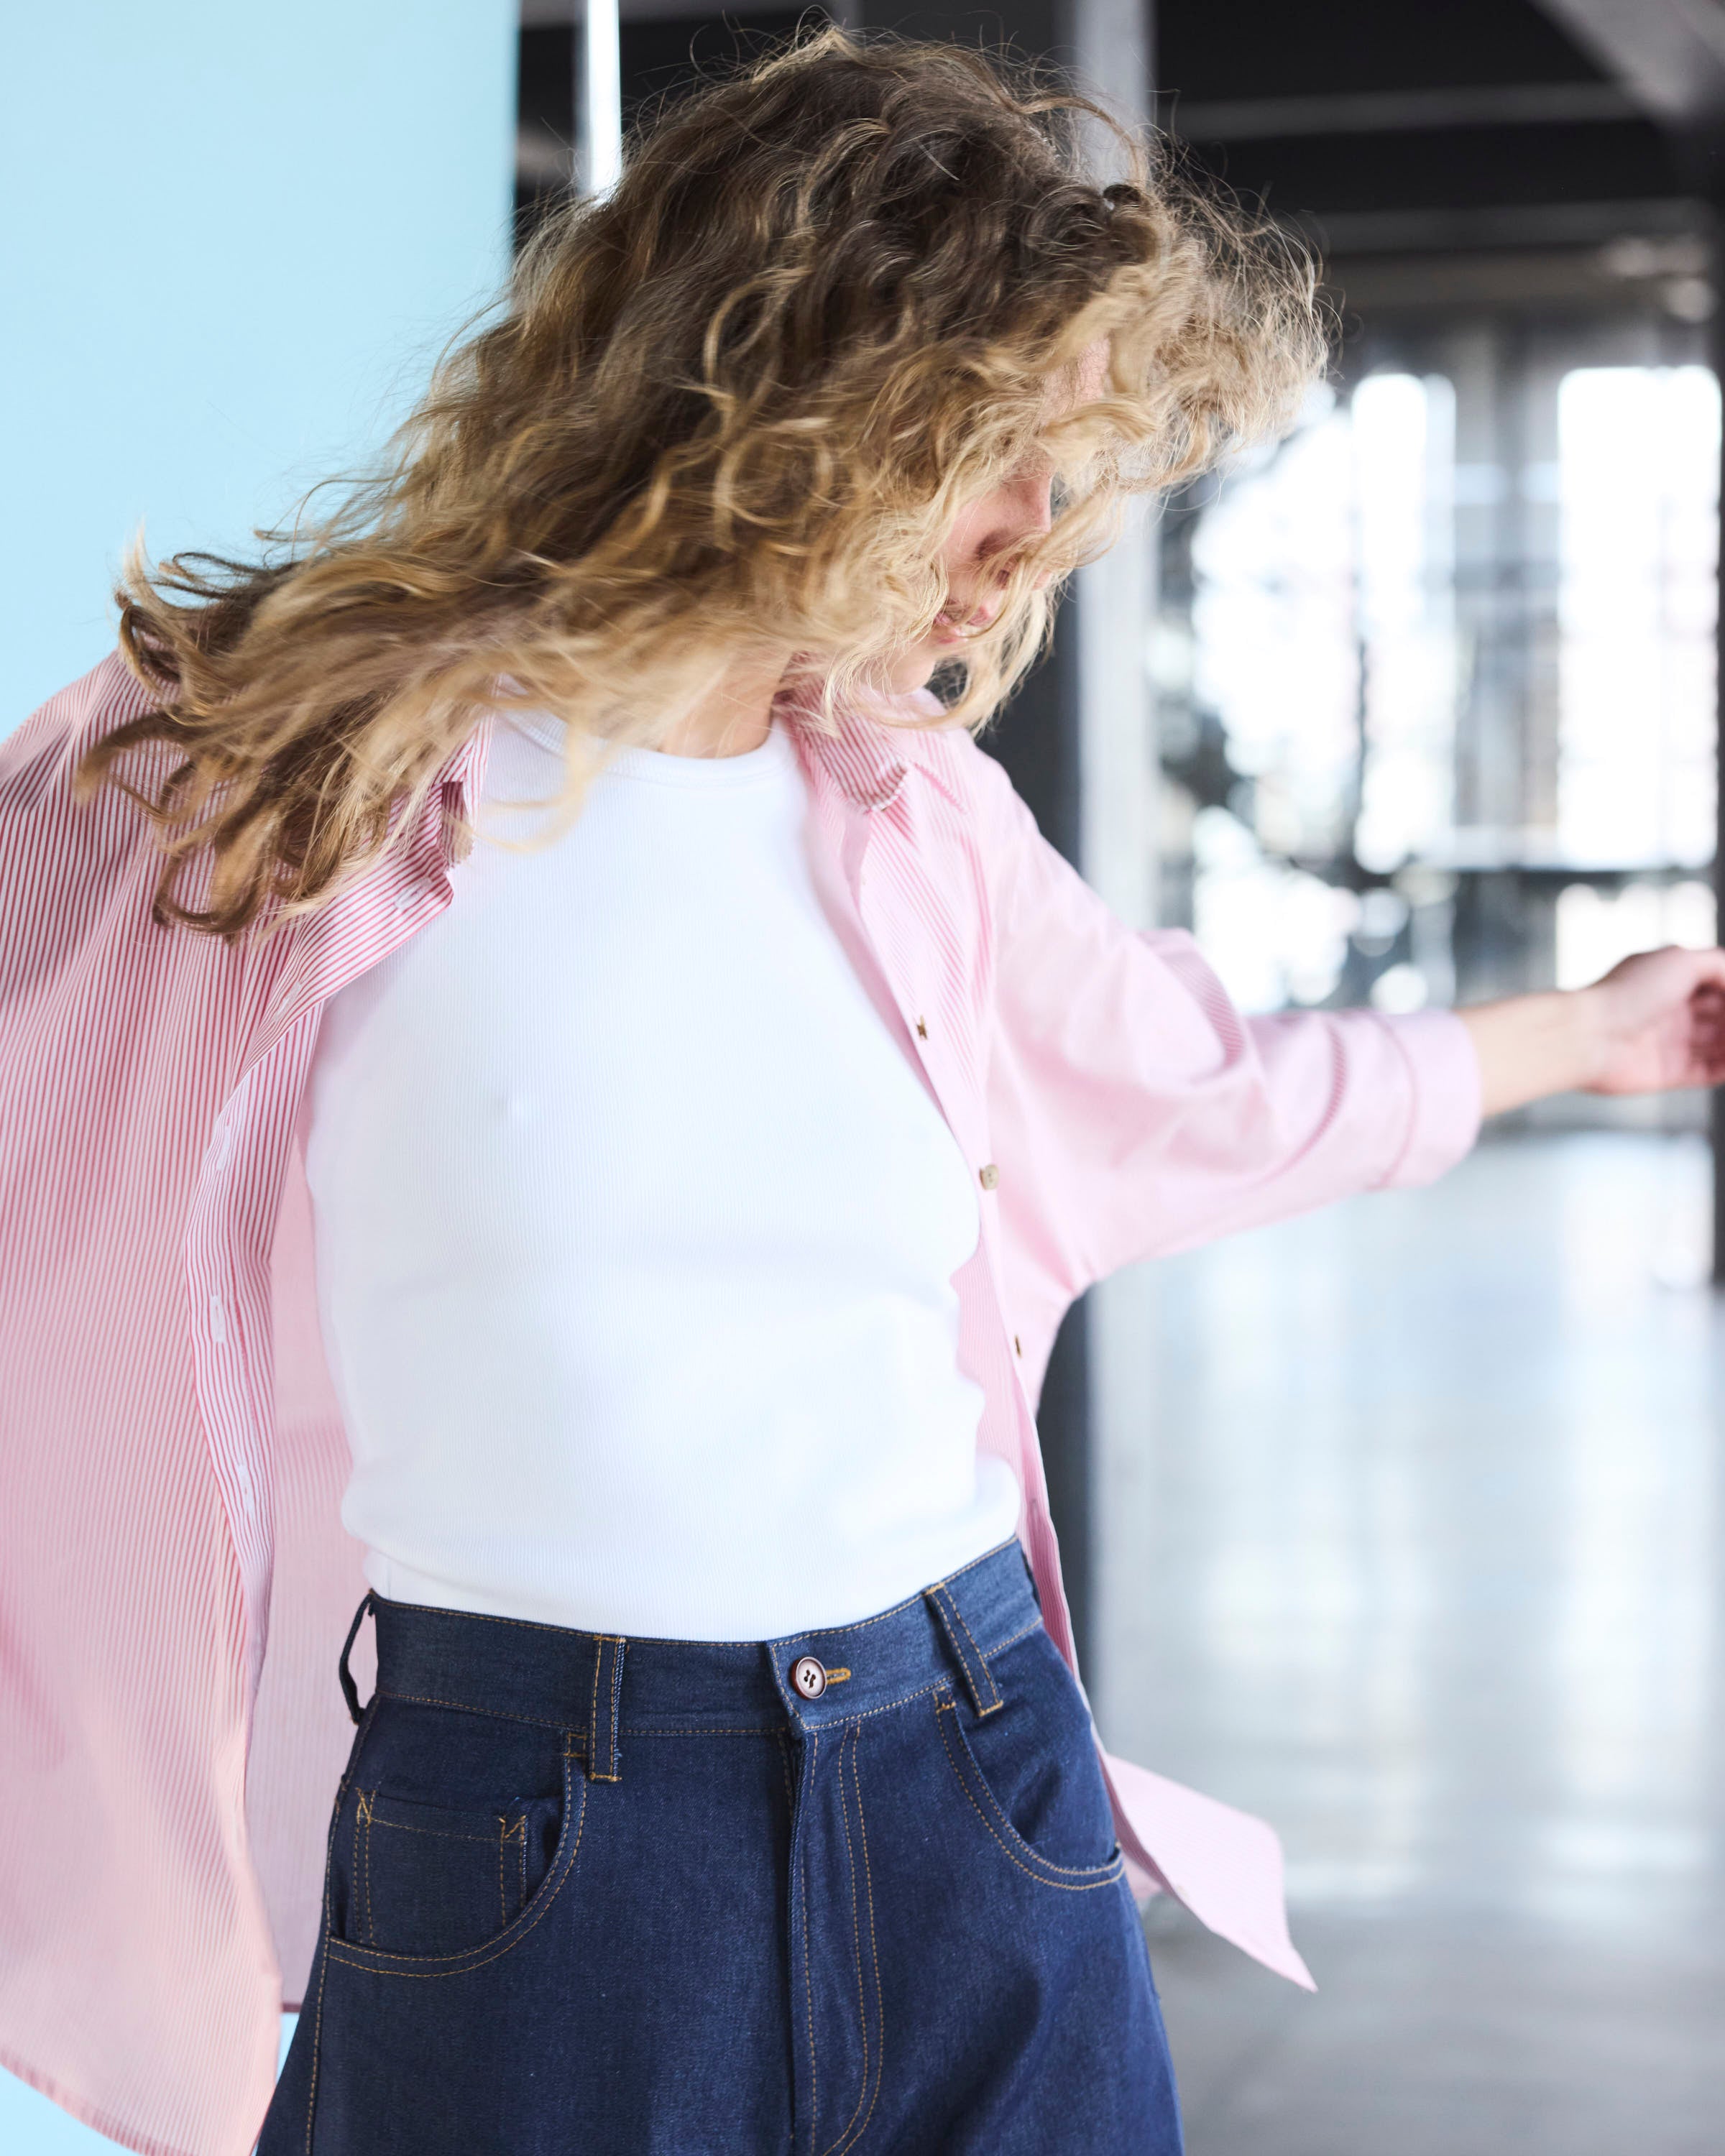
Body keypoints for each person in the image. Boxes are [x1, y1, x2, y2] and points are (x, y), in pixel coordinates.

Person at [3, 28, 1723, 2156]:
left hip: (976, 1758)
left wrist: (1597, 1032)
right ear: (794, 385)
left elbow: (1210, 1089)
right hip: (539, 1825)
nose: (1033, 538)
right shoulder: (292, 771)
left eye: (1069, 468)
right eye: (999, 446)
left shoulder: (913, 818)